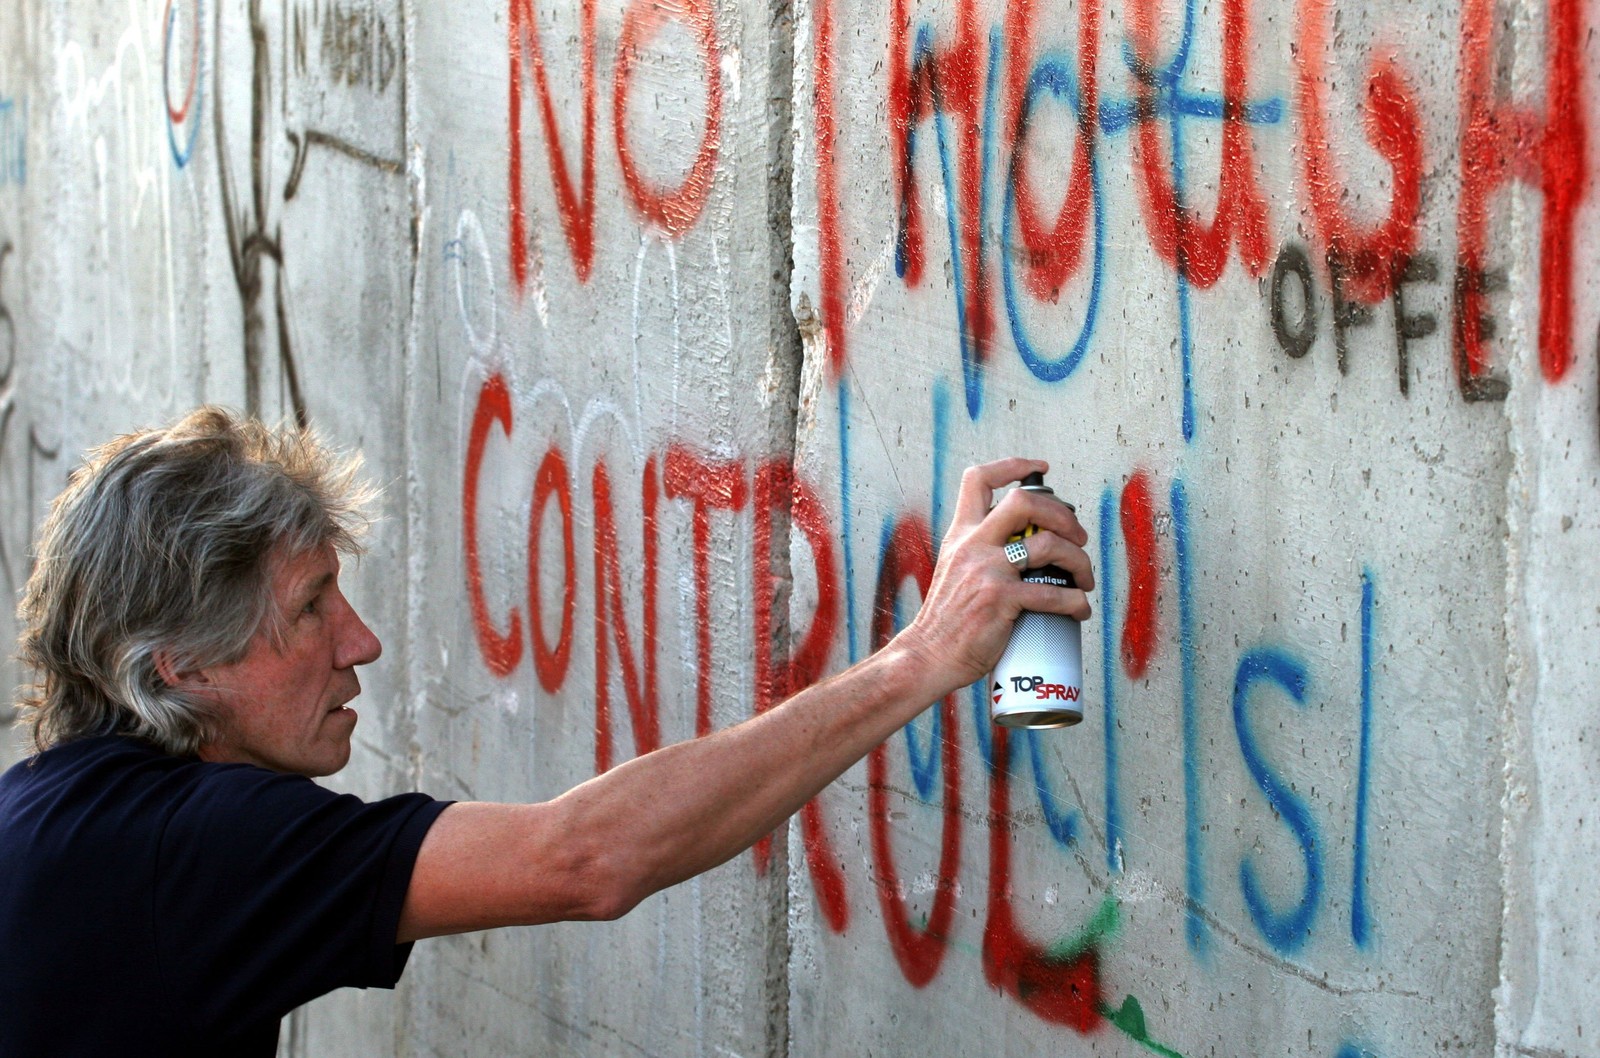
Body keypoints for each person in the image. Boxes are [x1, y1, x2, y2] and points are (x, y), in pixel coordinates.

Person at [0, 406, 1093, 1057]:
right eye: (310, 607)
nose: (363, 639)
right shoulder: (190, 849)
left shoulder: (60, 808)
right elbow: (586, 856)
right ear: (179, 668)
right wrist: (920, 656)